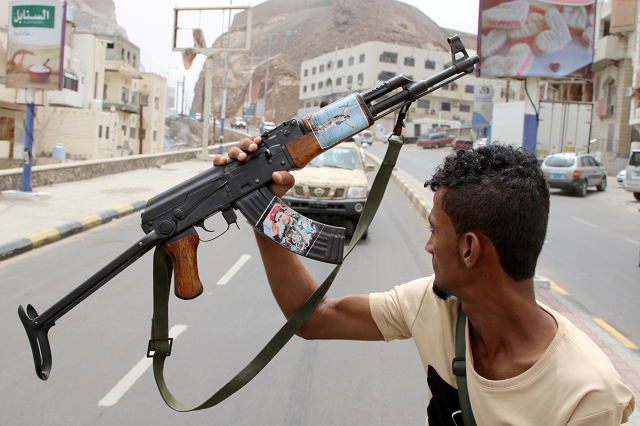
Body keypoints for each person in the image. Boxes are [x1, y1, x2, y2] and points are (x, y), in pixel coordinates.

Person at [214, 137, 635, 425]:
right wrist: (261, 207)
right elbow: (314, 317)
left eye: (435, 230)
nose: (429, 245)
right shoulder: (432, 304)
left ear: (470, 249)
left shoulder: (588, 396)